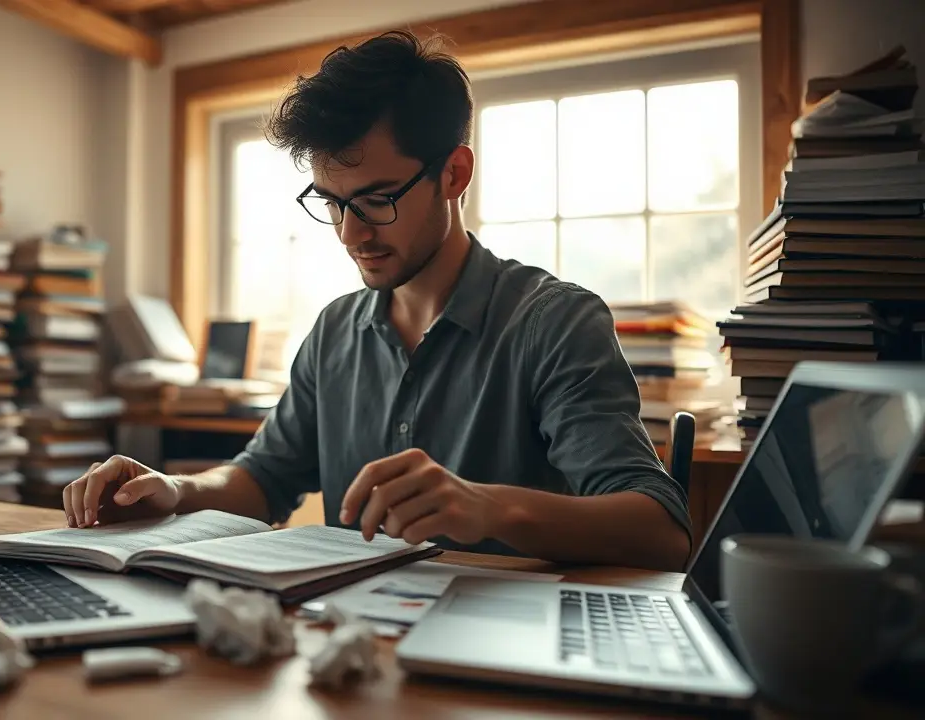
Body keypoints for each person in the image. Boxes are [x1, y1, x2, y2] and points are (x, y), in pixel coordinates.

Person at [64, 30, 691, 572]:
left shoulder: (554, 323)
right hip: (352, 653)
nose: (350, 233)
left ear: (455, 174)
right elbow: (263, 477)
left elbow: (660, 532)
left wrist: (486, 506)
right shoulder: (334, 331)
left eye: (376, 199)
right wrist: (173, 489)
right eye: (332, 203)